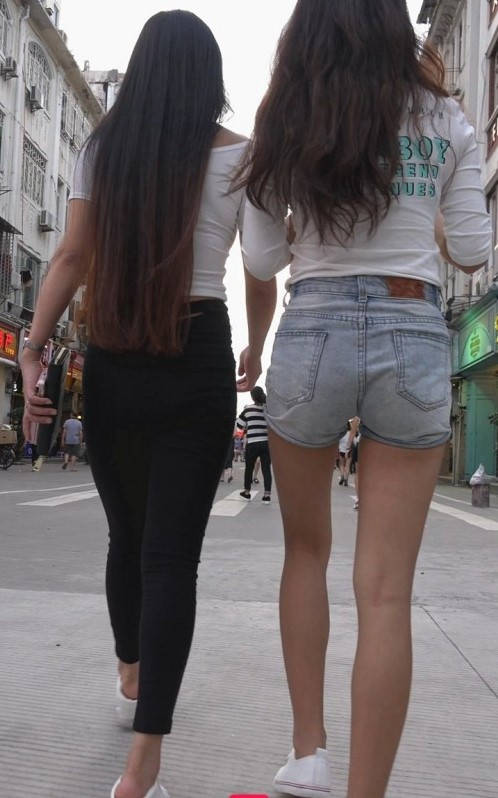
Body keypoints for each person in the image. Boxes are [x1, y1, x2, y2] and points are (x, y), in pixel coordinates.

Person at [238, 2, 491, 797]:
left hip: (312, 325)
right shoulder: (446, 117)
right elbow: (475, 250)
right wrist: (431, 225)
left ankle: (307, 752)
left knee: (305, 554)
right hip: (412, 324)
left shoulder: (286, 113)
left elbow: (262, 256)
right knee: (385, 592)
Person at [21, 12, 276, 798]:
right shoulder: (242, 156)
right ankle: (143, 764)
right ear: (210, 76)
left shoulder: (104, 149)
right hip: (197, 354)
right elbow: (260, 271)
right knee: (171, 560)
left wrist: (35, 345)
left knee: (126, 539)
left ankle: (131, 668)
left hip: (115, 356)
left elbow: (72, 255)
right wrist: (256, 346)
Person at [237, 387, 272, 503]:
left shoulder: (248, 409)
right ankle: (267, 495)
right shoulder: (268, 409)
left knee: (249, 468)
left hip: (252, 443)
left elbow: (239, 425)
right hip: (266, 443)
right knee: (266, 469)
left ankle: (247, 493)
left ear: (252, 397)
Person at [337, 421, 353, 487]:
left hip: (341, 450)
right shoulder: (351, 433)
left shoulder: (341, 433)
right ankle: (346, 479)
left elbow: (338, 441)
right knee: (347, 465)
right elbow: (353, 441)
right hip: (349, 450)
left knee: (341, 464)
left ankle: (342, 476)